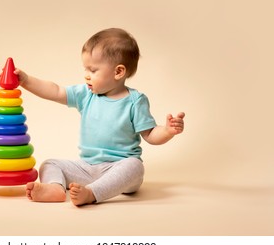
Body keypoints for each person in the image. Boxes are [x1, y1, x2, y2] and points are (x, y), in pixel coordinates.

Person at [14, 28, 185, 206]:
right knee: (50, 164)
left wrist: (167, 131)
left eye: (93, 70)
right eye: (85, 69)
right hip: (86, 168)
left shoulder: (135, 101)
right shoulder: (86, 95)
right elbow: (55, 91)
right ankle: (55, 188)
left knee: (135, 166)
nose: (86, 75)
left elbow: (150, 134)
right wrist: (26, 80)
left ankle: (92, 193)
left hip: (120, 168)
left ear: (118, 72)